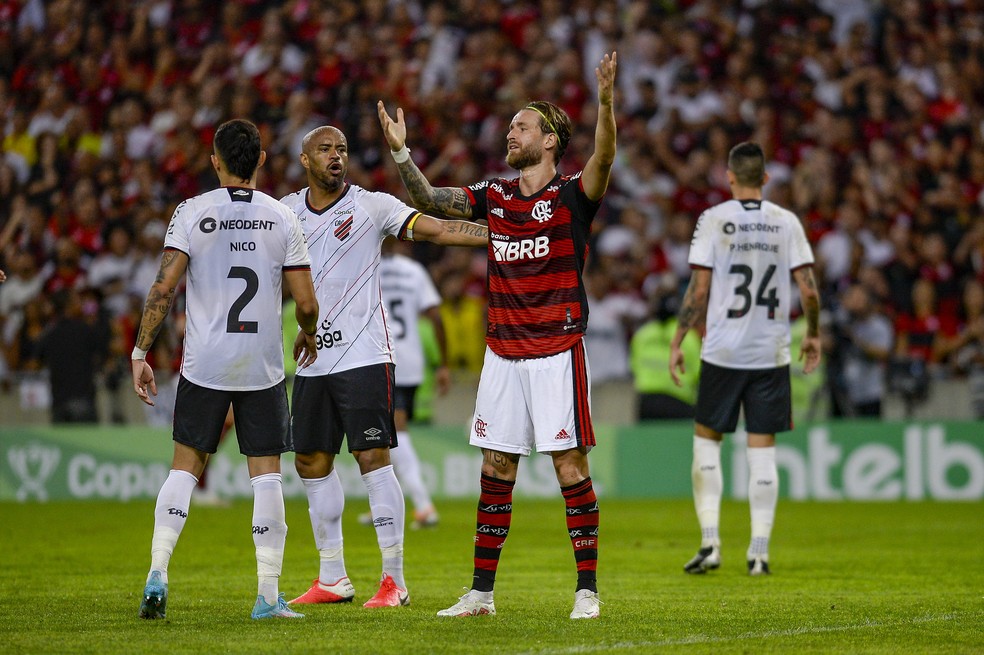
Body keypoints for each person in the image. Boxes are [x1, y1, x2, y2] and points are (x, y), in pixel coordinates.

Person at [377, 51, 617, 619]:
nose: (510, 131)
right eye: (510, 125)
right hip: (503, 353)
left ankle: (587, 590)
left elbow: (605, 155)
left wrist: (605, 103)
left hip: (557, 348)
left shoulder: (572, 198)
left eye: (522, 125)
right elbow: (431, 201)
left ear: (551, 140)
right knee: (496, 468)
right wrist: (400, 153)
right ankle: (481, 594)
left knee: (568, 467)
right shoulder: (496, 197)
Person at [281, 125, 487, 610]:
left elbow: (437, 228)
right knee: (311, 462)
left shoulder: (372, 205)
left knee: (373, 459)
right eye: (326, 149)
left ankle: (393, 581)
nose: (337, 156)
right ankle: (332, 576)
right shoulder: (285, 212)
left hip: (365, 356)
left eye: (343, 149)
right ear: (305, 159)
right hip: (313, 361)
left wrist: (503, 234)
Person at [129, 119, 320, 621]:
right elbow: (305, 301)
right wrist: (308, 330)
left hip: (204, 364)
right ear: (260, 159)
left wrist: (140, 352)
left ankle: (157, 572)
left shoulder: (192, 212)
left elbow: (164, 288)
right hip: (260, 367)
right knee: (266, 478)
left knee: (184, 469)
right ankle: (266, 595)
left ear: (215, 162)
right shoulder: (282, 217)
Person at [669, 141, 821, 576]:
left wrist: (679, 338)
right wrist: (812, 334)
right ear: (766, 179)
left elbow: (698, 291)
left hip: (723, 351)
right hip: (770, 352)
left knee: (706, 443)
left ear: (729, 177)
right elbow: (809, 290)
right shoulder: (786, 222)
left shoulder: (714, 220)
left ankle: (711, 544)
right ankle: (758, 552)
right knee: (762, 451)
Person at [358, 237, 447, 529]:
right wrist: (443, 363)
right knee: (382, 433)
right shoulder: (414, 271)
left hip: (379, 355)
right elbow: (435, 316)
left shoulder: (367, 269)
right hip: (410, 360)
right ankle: (383, 506)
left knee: (393, 431)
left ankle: (423, 506)